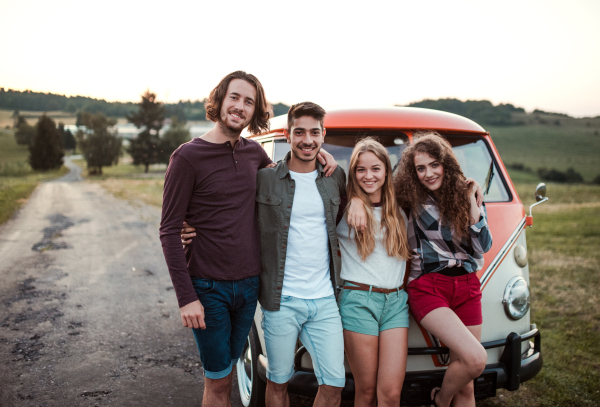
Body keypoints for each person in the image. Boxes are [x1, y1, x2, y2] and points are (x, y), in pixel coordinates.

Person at [159, 72, 336, 407]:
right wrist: (186, 298)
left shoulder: (255, 153)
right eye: (235, 97)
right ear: (220, 100)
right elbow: (168, 230)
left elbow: (284, 178)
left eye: (249, 102)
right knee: (219, 382)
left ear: (255, 112)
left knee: (229, 367)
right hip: (208, 288)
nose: (240, 107)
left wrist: (319, 156)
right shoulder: (187, 157)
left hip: (249, 287)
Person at [394, 131, 492, 407]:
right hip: (427, 286)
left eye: (434, 165)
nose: (428, 173)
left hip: (468, 286)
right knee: (475, 358)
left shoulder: (466, 194)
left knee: (468, 386)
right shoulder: (407, 198)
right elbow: (369, 183)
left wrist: (473, 205)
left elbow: (484, 245)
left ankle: (443, 398)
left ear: (445, 164)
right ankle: (441, 398)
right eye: (420, 168)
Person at [336, 138, 411, 407]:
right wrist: (354, 199)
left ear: (386, 171)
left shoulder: (401, 208)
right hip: (359, 300)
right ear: (353, 172)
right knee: (365, 392)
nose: (368, 176)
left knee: (391, 394)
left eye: (375, 168)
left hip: (396, 303)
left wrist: (471, 188)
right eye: (361, 169)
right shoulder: (344, 207)